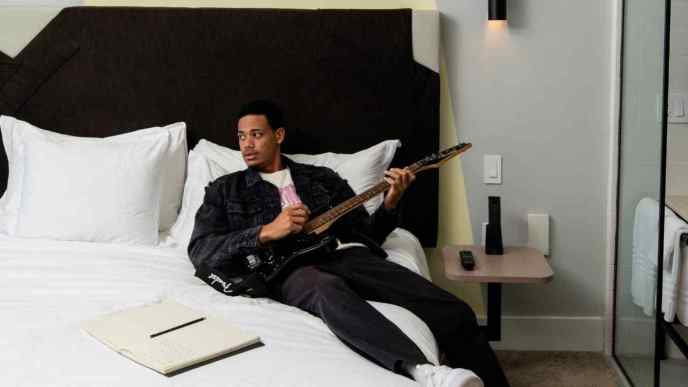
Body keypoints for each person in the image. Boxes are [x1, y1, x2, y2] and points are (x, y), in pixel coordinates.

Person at [188, 100, 511, 387]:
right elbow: (200, 249)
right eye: (242, 136)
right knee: (325, 290)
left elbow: (367, 232)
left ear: (279, 135)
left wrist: (390, 202)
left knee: (453, 310)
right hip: (290, 271)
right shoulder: (225, 190)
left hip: (346, 255)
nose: (247, 144)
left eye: (256, 134)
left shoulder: (322, 179)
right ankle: (423, 370)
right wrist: (266, 232)